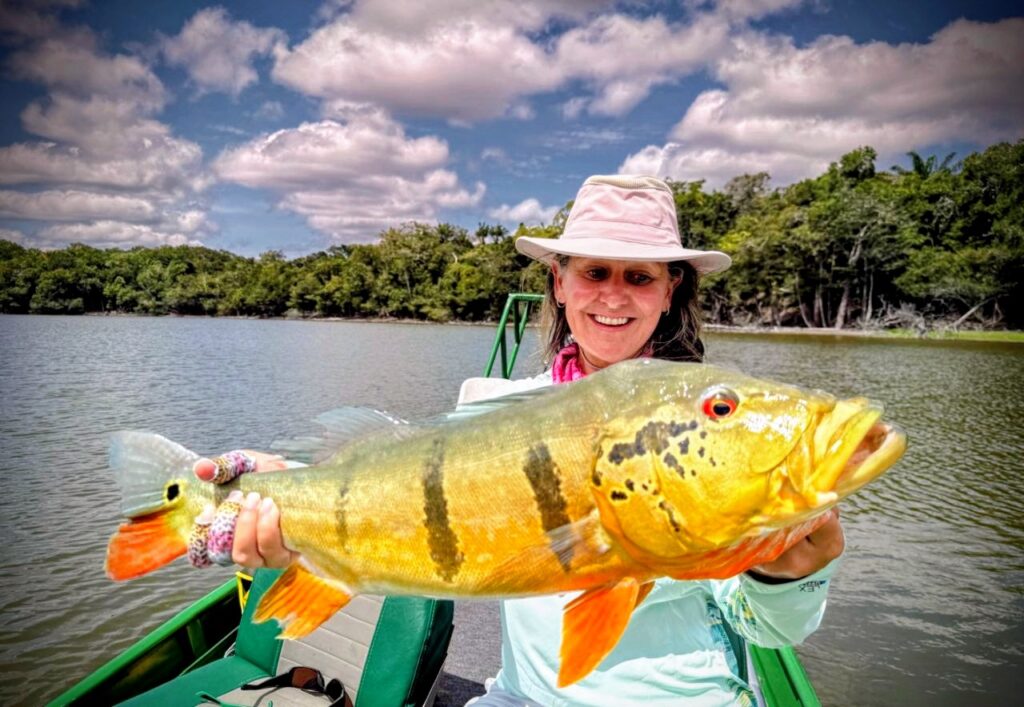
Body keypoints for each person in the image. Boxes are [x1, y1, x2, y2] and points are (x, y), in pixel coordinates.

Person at [192, 175, 844, 706]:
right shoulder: (489, 406)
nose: (614, 295)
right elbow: (406, 497)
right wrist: (278, 488)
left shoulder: (711, 426)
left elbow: (767, 626)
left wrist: (787, 573)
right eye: (595, 271)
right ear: (560, 281)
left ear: (671, 290)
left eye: (640, 276)